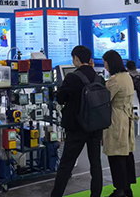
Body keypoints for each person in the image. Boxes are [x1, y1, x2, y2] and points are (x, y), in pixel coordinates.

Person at [51, 46, 104, 197]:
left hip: (76, 127)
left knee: (66, 164)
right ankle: (96, 194)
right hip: (95, 126)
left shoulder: (72, 78)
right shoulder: (99, 78)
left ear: (76, 58)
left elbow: (61, 99)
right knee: (96, 164)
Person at [103, 50, 136, 197]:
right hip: (127, 117)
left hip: (116, 119)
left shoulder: (114, 80)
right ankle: (127, 188)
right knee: (126, 153)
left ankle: (120, 190)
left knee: (116, 155)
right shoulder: (127, 76)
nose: (105, 66)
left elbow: (105, 99)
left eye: (105, 63)